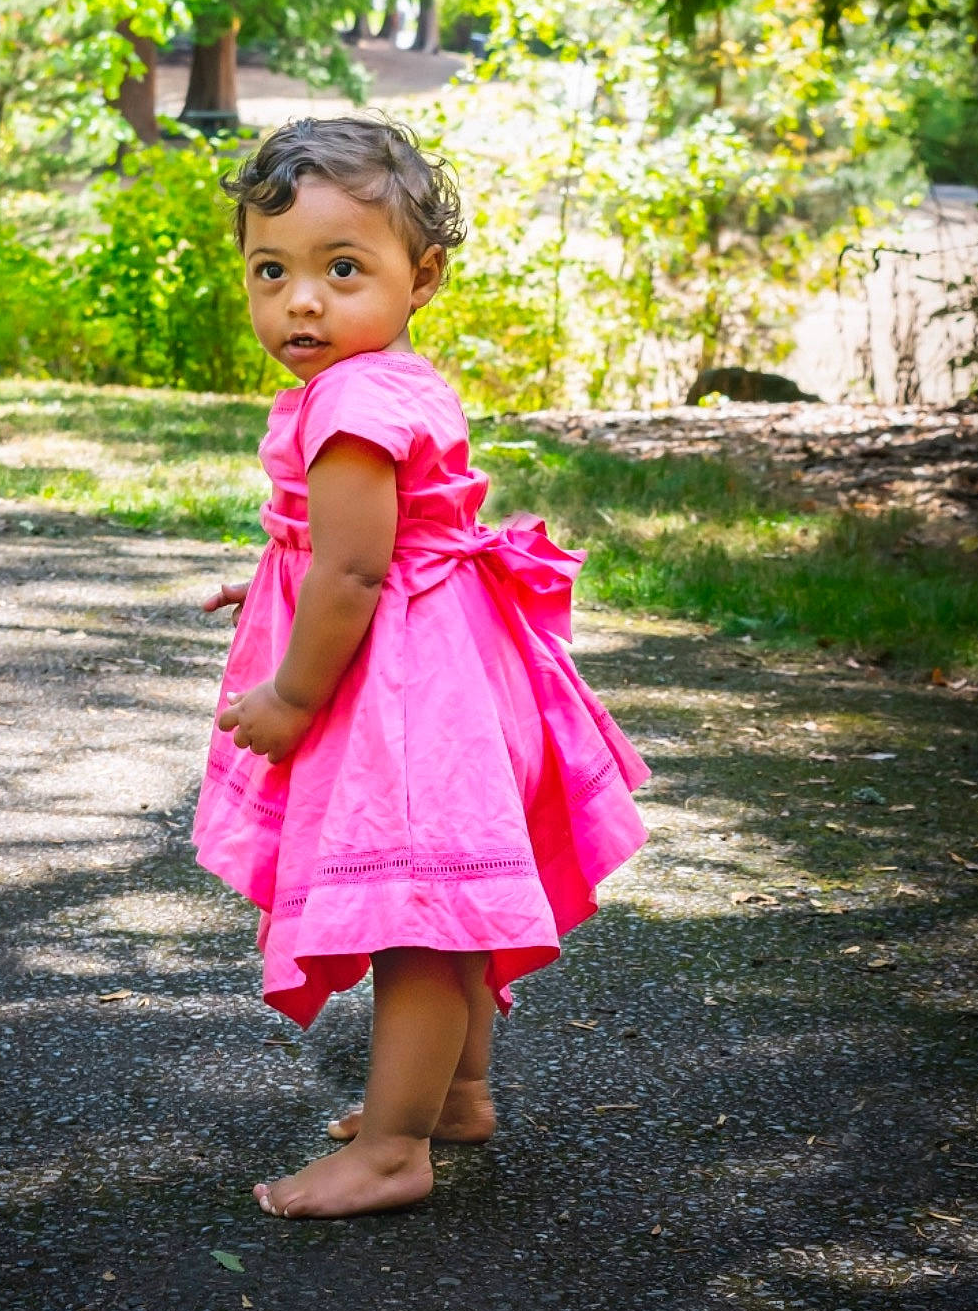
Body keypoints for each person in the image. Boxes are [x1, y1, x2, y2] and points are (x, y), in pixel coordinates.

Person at [192, 117, 649, 1219]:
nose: (302, 299)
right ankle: (459, 1092)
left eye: (342, 268)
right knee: (449, 889)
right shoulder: (385, 376)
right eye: (273, 269)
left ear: (422, 275)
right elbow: (354, 547)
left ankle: (396, 1147)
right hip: (450, 659)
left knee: (414, 916)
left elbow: (352, 573)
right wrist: (268, 582)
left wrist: (292, 697)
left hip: (401, 693)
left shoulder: (349, 405)